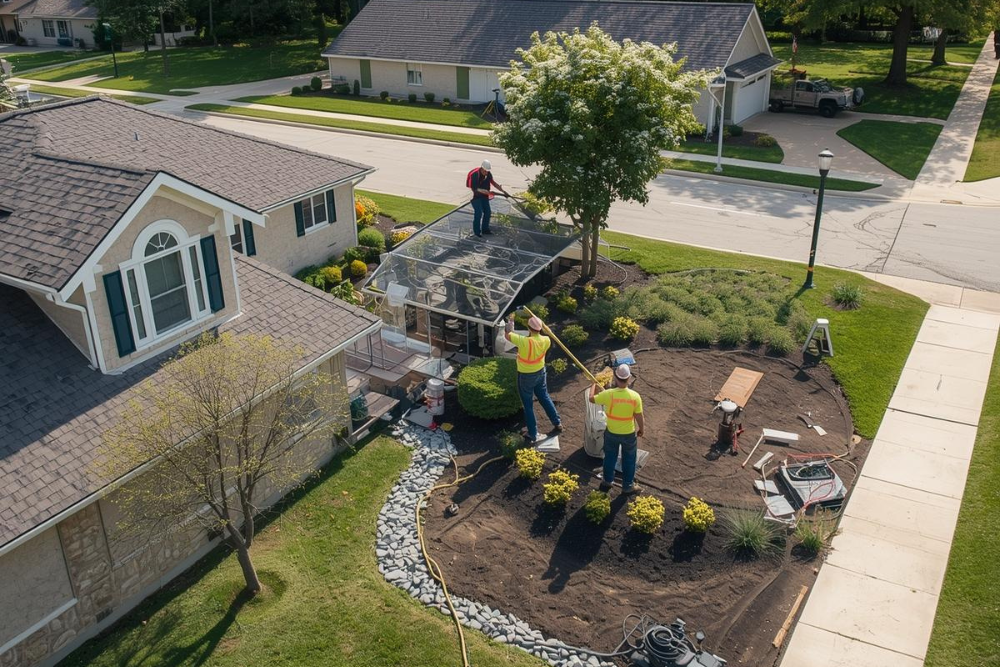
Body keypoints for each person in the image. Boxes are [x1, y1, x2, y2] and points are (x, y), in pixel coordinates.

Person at [505, 313, 562, 442]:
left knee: (528, 405)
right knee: (544, 396)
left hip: (526, 376)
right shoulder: (546, 340)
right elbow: (546, 334)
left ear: (529, 328)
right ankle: (557, 422)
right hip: (541, 372)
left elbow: (507, 335)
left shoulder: (524, 341)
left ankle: (533, 433)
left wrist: (510, 322)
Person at [589, 365, 644, 494]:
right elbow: (639, 416)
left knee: (609, 457)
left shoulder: (608, 394)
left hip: (611, 433)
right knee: (629, 460)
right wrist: (641, 429)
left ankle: (607, 481)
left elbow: (591, 399)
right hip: (629, 434)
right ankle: (628, 486)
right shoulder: (635, 396)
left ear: (615, 378)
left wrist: (593, 385)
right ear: (629, 378)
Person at [469, 159, 509, 238]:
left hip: (484, 197)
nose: (486, 173)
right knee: (479, 213)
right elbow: (476, 189)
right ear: (482, 168)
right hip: (476, 197)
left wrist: (503, 191)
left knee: (488, 212)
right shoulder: (475, 175)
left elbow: (493, 183)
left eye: (487, 171)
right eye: (485, 171)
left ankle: (485, 229)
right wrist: (489, 192)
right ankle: (477, 232)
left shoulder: (488, 174)